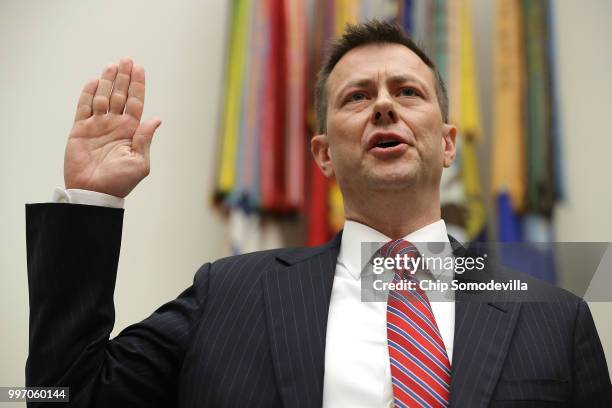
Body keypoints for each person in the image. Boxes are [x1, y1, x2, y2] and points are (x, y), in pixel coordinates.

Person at [25, 20, 610, 407]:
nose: (384, 104)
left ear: (449, 142)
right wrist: (93, 201)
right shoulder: (226, 295)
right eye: (357, 97)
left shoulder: (556, 320)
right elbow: (61, 394)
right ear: (323, 154)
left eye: (408, 92)